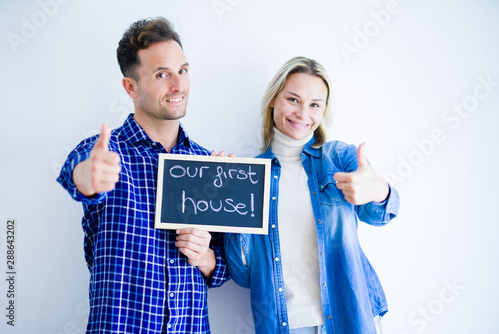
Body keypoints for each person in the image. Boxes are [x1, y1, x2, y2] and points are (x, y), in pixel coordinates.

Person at [57, 17, 230, 334]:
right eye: (162, 74)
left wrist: (205, 255)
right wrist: (89, 177)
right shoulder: (106, 153)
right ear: (130, 87)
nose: (178, 85)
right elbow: (77, 175)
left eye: (183, 71)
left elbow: (225, 264)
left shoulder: (208, 162)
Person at [224, 56, 400, 334]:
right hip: (285, 326)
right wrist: (230, 203)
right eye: (293, 99)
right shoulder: (250, 176)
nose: (303, 114)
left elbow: (379, 214)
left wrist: (379, 189)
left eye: (315, 105)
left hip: (348, 318)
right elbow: (244, 275)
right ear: (273, 99)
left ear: (322, 111)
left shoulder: (339, 157)